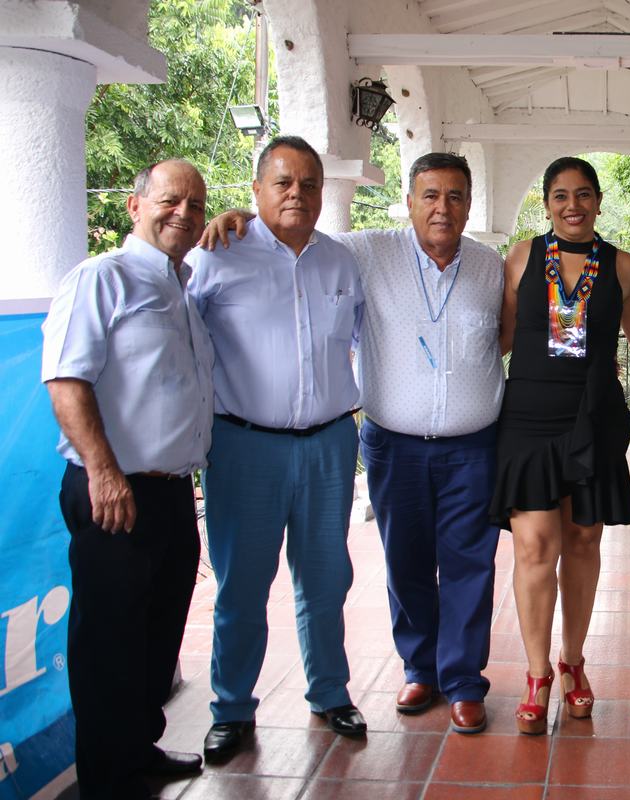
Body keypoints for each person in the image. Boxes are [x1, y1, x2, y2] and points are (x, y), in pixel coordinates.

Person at [201, 152, 504, 735]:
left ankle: (463, 679)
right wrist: (240, 215)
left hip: (470, 446)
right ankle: (420, 667)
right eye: (430, 195)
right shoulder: (366, 251)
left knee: (469, 565)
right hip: (391, 443)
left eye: (456, 196)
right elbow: (290, 226)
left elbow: (510, 334)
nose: (443, 208)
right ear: (409, 202)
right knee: (405, 560)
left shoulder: (490, 266)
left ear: (469, 205)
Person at [189, 135, 368, 761]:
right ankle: (232, 707)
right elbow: (172, 327)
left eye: (310, 184)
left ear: (323, 193)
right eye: (283, 183)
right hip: (244, 448)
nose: (297, 194)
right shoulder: (217, 255)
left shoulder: (341, 262)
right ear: (258, 189)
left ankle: (329, 691)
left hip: (328, 444)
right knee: (242, 585)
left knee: (326, 578)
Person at [42, 159, 213, 799]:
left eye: (196, 205)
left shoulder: (182, 288)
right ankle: (109, 779)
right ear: (134, 206)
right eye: (172, 201)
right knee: (109, 638)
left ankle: (138, 747)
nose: (185, 214)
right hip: (114, 490)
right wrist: (103, 470)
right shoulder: (99, 278)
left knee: (158, 628)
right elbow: (66, 380)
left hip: (170, 492)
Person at [489, 156, 630, 735]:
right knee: (533, 545)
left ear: (599, 201)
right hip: (528, 417)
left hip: (594, 416)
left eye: (583, 194)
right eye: (560, 195)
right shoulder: (523, 258)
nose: (572, 206)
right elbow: (500, 336)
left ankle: (573, 662)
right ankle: (536, 674)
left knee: (582, 540)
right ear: (546, 203)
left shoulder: (624, 267)